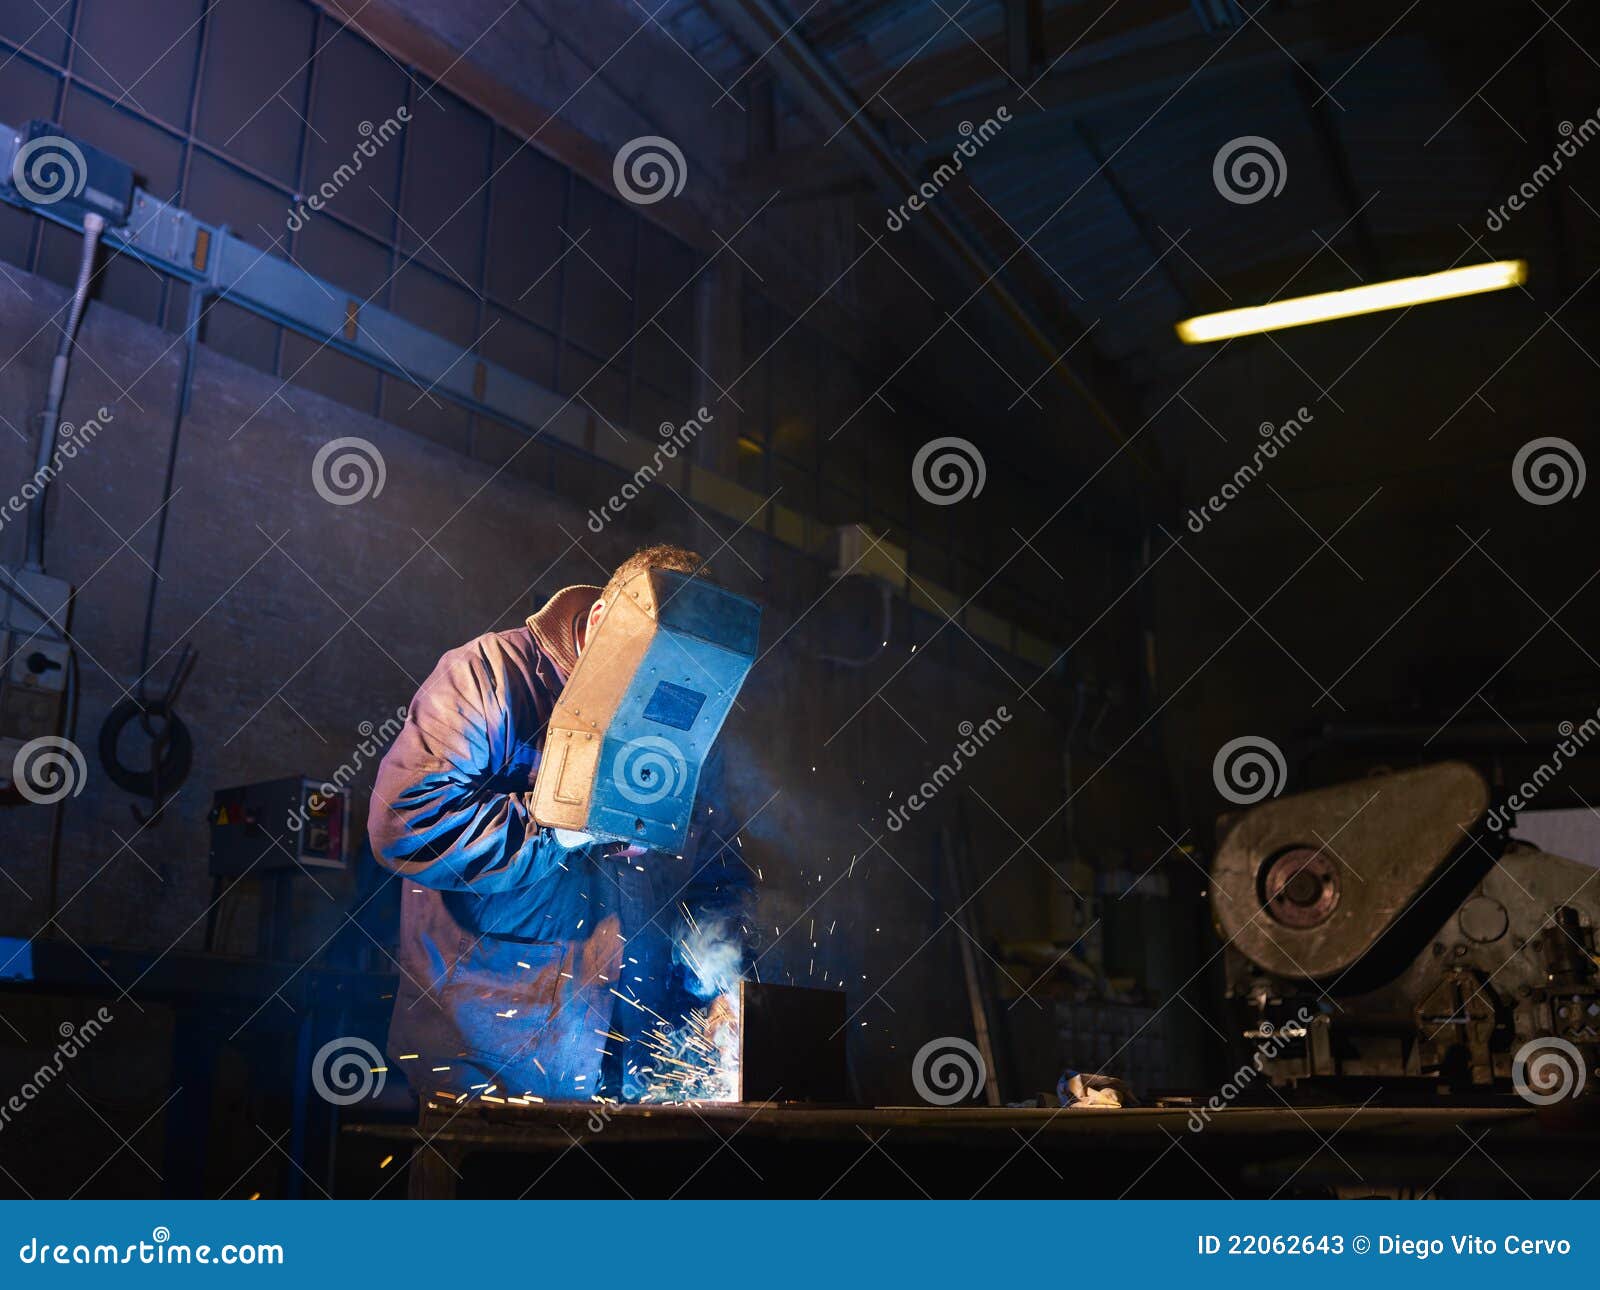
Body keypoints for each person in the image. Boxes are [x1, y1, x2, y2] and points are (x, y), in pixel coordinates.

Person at [367, 544, 749, 1103]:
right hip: (488, 1078)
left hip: (639, 1080)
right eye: (652, 680)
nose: (664, 712)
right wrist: (564, 827)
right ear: (602, 624)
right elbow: (404, 823)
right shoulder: (491, 679)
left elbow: (721, 879)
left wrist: (727, 982)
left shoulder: (692, 732)